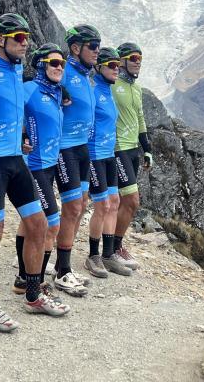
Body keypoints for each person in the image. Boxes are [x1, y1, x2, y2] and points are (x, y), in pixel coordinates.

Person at [0, 14, 67, 330]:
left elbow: (17, 111)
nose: (25, 43)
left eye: (27, 38)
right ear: (0, 40)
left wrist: (24, 137)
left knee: (38, 224)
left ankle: (32, 294)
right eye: (18, 38)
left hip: (17, 160)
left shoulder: (16, 72)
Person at [12, 42, 71, 314]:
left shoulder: (56, 91)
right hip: (32, 165)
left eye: (62, 63)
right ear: (40, 65)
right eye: (53, 63)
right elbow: (9, 110)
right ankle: (37, 284)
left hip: (49, 164)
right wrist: (22, 135)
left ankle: (24, 278)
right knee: (52, 224)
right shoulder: (29, 88)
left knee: (29, 223)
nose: (60, 67)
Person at [52, 23, 101, 296]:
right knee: (71, 208)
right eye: (92, 46)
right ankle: (62, 271)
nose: (97, 51)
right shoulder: (63, 70)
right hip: (64, 148)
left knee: (81, 205)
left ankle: (62, 263)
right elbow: (31, 83)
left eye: (98, 46)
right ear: (75, 48)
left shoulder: (85, 75)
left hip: (82, 148)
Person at [84, 47, 132, 278]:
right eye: (111, 65)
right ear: (98, 67)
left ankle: (108, 254)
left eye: (118, 65)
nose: (117, 69)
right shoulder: (93, 91)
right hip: (94, 155)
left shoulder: (107, 91)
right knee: (102, 205)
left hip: (109, 154)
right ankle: (93, 256)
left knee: (114, 201)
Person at [111, 42, 152, 269]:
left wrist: (147, 148)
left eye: (140, 59)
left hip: (132, 149)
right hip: (116, 149)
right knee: (131, 201)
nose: (138, 62)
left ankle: (112, 246)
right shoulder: (112, 83)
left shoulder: (136, 88)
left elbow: (140, 119)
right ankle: (113, 248)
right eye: (134, 58)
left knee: (120, 202)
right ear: (122, 61)